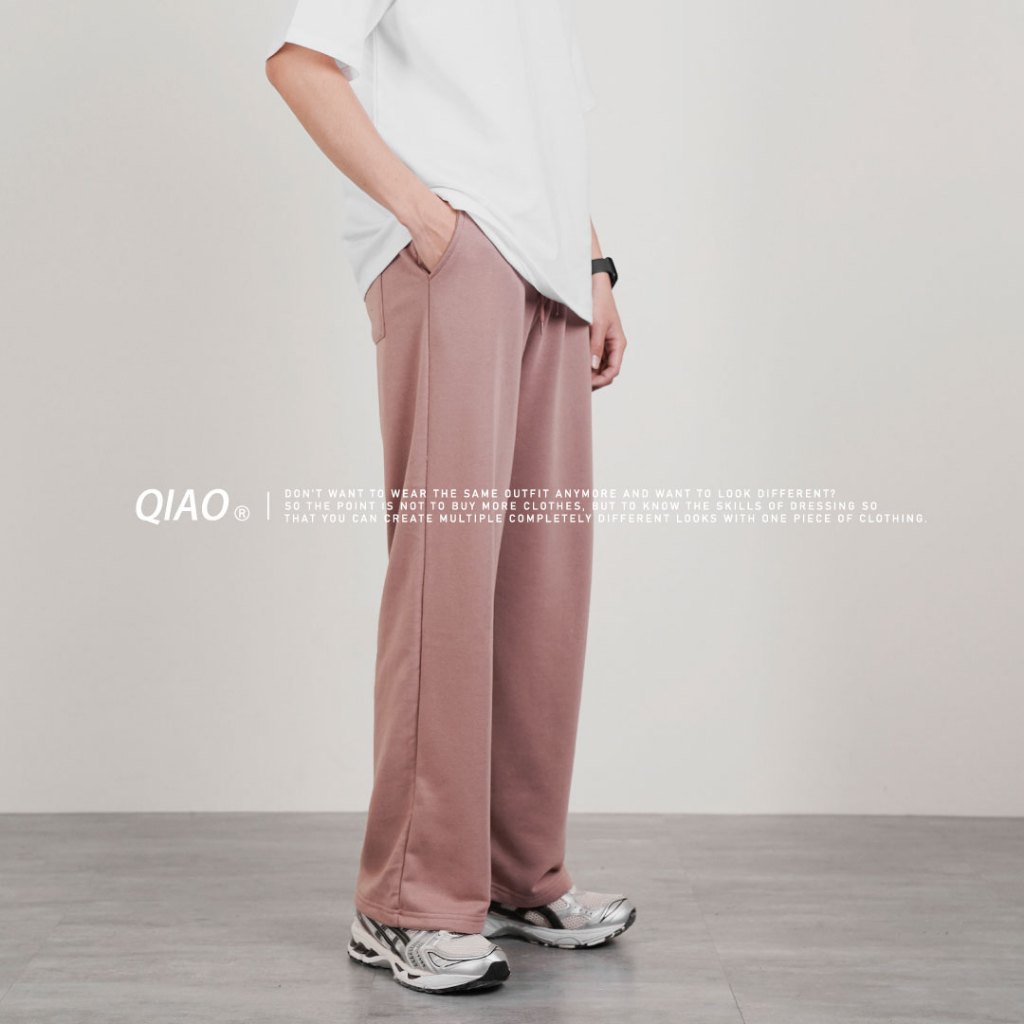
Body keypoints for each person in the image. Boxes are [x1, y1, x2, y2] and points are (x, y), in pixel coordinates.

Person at [265, 0, 633, 995]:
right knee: (447, 584)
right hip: (457, 255)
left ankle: (518, 874)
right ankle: (407, 902)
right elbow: (301, 64)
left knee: (542, 593)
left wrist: (593, 265)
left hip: (551, 277)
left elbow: (542, 136)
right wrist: (430, 222)